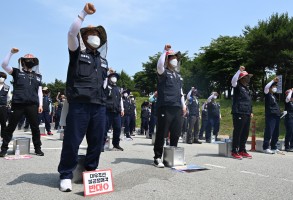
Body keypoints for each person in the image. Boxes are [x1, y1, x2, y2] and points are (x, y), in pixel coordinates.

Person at [57, 3, 108, 192]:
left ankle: (91, 171)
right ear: (85, 38)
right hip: (79, 104)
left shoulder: (102, 60)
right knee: (72, 140)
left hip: (99, 105)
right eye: (90, 34)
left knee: (97, 141)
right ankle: (65, 175)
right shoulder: (77, 52)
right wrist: (83, 14)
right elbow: (71, 33)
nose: (94, 37)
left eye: (97, 34)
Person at [0, 48, 44, 157]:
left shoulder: (38, 76)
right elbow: (4, 65)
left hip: (32, 105)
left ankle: (38, 148)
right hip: (18, 104)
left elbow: (39, 91)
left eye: (32, 60)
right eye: (27, 59)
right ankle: (4, 149)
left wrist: (41, 104)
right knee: (10, 127)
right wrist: (11, 53)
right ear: (23, 61)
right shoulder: (16, 72)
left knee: (35, 127)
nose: (30, 61)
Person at [153, 44, 186, 168]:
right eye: (172, 57)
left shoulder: (178, 75)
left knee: (176, 133)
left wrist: (183, 105)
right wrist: (165, 52)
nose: (174, 59)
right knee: (162, 133)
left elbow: (181, 92)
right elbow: (159, 65)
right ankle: (157, 157)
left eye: (175, 58)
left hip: (177, 107)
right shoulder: (163, 72)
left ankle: (172, 156)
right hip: (165, 106)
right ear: (167, 59)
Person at [231, 66, 253, 159]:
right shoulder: (237, 86)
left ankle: (242, 150)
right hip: (239, 112)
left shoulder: (247, 89)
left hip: (246, 112)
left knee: (245, 132)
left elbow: (249, 101)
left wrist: (251, 111)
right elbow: (233, 81)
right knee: (238, 132)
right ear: (242, 78)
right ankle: (234, 150)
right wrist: (239, 71)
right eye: (247, 77)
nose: (248, 78)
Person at [104, 69, 124, 151]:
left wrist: (122, 109)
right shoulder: (106, 86)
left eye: (115, 76)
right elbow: (104, 81)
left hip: (117, 111)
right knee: (104, 128)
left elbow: (120, 99)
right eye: (112, 76)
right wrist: (108, 73)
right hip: (107, 110)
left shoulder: (118, 88)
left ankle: (116, 144)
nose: (114, 78)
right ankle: (102, 144)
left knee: (118, 128)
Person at [262, 77, 281, 154]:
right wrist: (273, 80)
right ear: (270, 88)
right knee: (269, 131)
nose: (275, 88)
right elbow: (266, 87)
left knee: (276, 132)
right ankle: (265, 147)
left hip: (276, 115)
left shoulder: (274, 96)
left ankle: (274, 147)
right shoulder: (267, 94)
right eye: (273, 87)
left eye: (275, 87)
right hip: (270, 115)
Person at [0, 71, 10, 138]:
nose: (1, 78)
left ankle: (3, 136)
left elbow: (9, 97)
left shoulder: (7, 87)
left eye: (3, 77)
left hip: (3, 107)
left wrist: (7, 103)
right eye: (0, 77)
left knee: (3, 122)